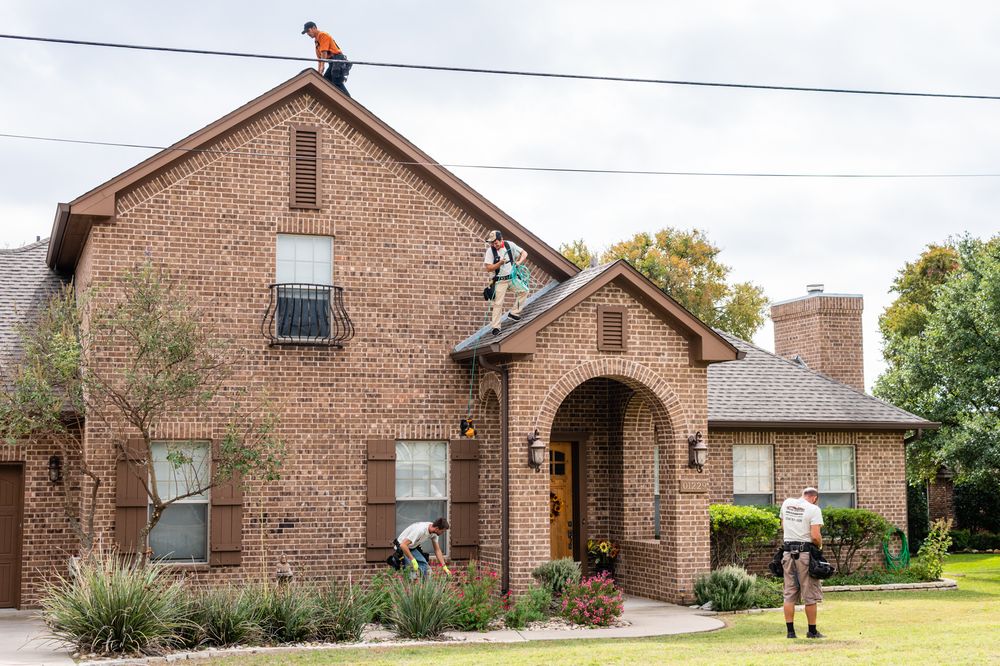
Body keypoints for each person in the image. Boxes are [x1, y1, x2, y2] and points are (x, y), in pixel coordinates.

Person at [779, 487, 825, 639]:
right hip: (805, 554)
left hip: (787, 553)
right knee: (809, 593)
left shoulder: (787, 503)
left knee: (789, 593)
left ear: (803, 494)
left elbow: (783, 525)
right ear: (814, 498)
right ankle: (812, 631)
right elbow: (815, 536)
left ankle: (790, 632)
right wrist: (819, 546)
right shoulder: (814, 509)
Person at [483, 230, 529, 335]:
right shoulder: (490, 251)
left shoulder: (509, 245)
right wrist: (499, 263)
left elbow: (524, 253)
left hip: (512, 278)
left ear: (501, 240)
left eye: (496, 243)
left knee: (524, 291)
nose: (494, 245)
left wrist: (518, 262)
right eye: (492, 243)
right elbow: (489, 268)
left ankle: (514, 313)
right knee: (497, 303)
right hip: (500, 280)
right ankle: (496, 327)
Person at [301, 21, 351, 97]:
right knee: (326, 80)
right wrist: (319, 73)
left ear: (314, 28)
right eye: (306, 32)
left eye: (308, 31)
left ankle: (347, 99)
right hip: (332, 62)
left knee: (336, 79)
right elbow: (320, 59)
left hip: (338, 59)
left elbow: (324, 52)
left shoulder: (322, 35)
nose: (308, 34)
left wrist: (322, 67)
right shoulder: (316, 42)